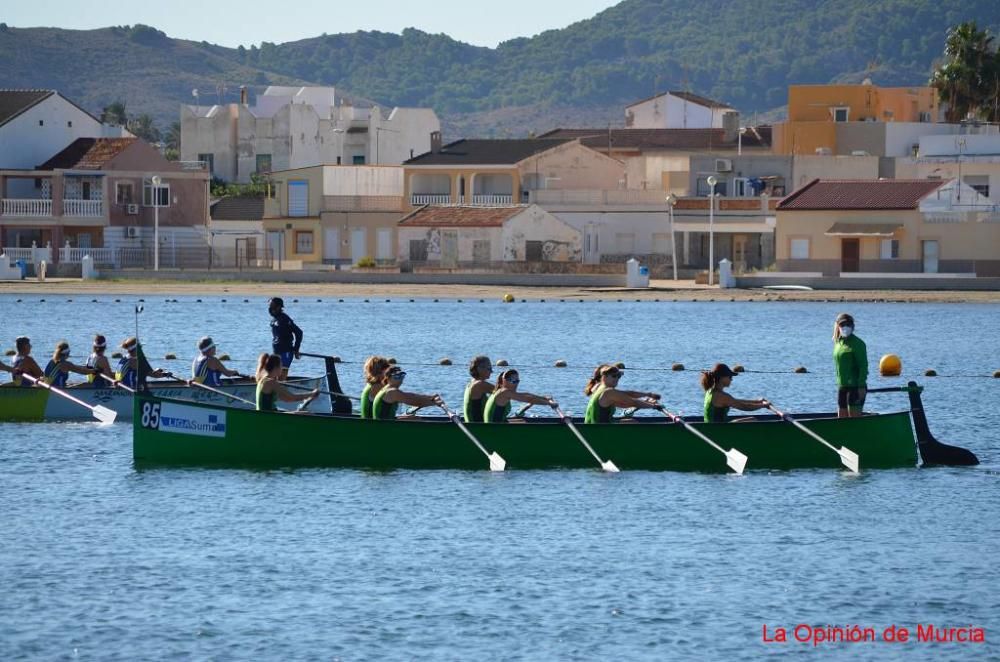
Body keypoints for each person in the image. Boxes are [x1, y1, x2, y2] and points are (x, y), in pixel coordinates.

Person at [583, 364, 661, 423]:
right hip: (602, 429)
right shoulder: (608, 392)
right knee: (633, 423)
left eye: (619, 376)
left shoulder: (598, 388)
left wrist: (648, 395)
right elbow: (633, 402)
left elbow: (628, 397)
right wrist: (654, 406)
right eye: (614, 376)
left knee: (630, 421)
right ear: (604, 377)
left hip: (595, 426)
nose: (617, 379)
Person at [701, 363, 768, 423]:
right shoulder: (721, 396)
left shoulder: (710, 391)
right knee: (753, 420)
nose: (731, 379)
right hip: (720, 430)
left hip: (715, 427)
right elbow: (744, 407)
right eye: (730, 377)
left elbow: (734, 401)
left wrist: (757, 401)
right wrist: (763, 405)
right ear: (722, 378)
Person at [483, 369, 557, 423]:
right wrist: (549, 403)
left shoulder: (499, 391)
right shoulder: (504, 392)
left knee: (525, 420)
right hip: (495, 429)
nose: (516, 384)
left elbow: (526, 395)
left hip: (499, 424)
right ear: (505, 381)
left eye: (517, 381)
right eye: (513, 381)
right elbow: (528, 399)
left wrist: (543, 398)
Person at [371, 365, 443, 420]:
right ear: (388, 378)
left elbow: (412, 395)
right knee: (417, 420)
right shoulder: (392, 392)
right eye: (396, 377)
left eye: (402, 376)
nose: (400, 380)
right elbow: (415, 401)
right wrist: (434, 402)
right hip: (385, 426)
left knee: (412, 417)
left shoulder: (385, 389)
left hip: (386, 422)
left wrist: (430, 397)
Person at [255, 353, 319, 411]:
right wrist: (312, 394)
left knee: (301, 412)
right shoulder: (271, 382)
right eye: (281, 366)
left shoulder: (262, 379)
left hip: (267, 415)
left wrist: (308, 397)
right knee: (306, 414)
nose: (282, 368)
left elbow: (287, 399)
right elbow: (292, 396)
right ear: (276, 367)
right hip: (270, 417)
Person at [833, 312, 868, 418]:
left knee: (854, 421)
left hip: (855, 387)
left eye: (848, 325)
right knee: (841, 420)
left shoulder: (858, 343)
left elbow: (863, 366)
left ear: (853, 326)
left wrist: (861, 386)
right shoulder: (838, 343)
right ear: (838, 326)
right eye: (842, 325)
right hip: (842, 387)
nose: (845, 327)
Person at [269, 297, 303, 379]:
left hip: (286, 352)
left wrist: (296, 349)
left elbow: (299, 332)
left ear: (279, 307)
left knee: (281, 377)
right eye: (269, 306)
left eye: (272, 306)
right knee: (272, 375)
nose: (270, 309)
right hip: (276, 352)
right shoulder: (274, 319)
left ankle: (281, 388)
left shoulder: (285, 319)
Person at [463, 355, 494, 422]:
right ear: (479, 369)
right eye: (489, 368)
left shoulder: (471, 383)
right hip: (478, 427)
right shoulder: (479, 384)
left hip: (472, 424)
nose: (491, 371)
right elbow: (505, 392)